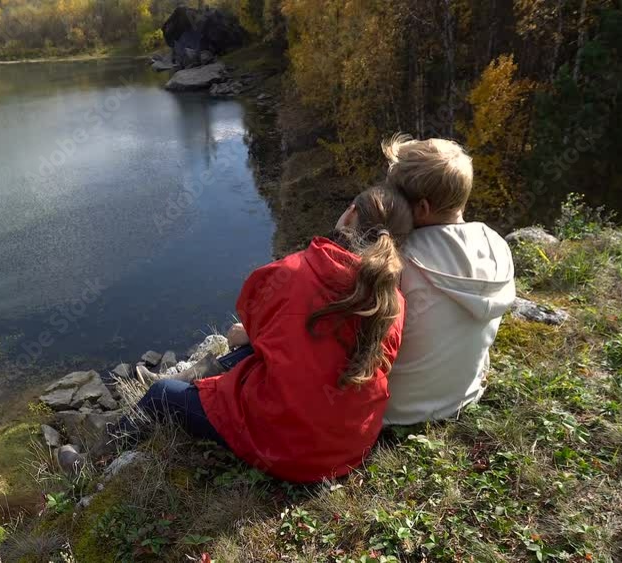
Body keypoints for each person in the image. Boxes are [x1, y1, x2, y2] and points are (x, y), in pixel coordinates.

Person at [119, 184, 413, 482]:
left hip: (282, 449)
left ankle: (102, 448)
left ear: (350, 214)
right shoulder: (393, 302)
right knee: (262, 352)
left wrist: (251, 333)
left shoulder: (296, 269)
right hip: (349, 449)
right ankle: (188, 378)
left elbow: (252, 313)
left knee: (161, 396)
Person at [380, 134, 516, 426]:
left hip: (395, 411)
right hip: (462, 397)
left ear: (422, 209)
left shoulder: (398, 259)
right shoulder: (497, 246)